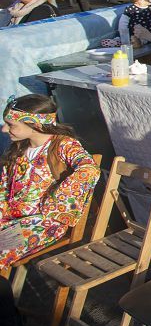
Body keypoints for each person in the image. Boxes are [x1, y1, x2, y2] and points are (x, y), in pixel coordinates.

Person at [0, 94, 100, 268]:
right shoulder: (19, 146)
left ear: (36, 125)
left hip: (42, 222)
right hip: (10, 215)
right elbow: (4, 185)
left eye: (11, 125)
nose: (4, 129)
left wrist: (55, 205)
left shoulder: (63, 145)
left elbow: (89, 169)